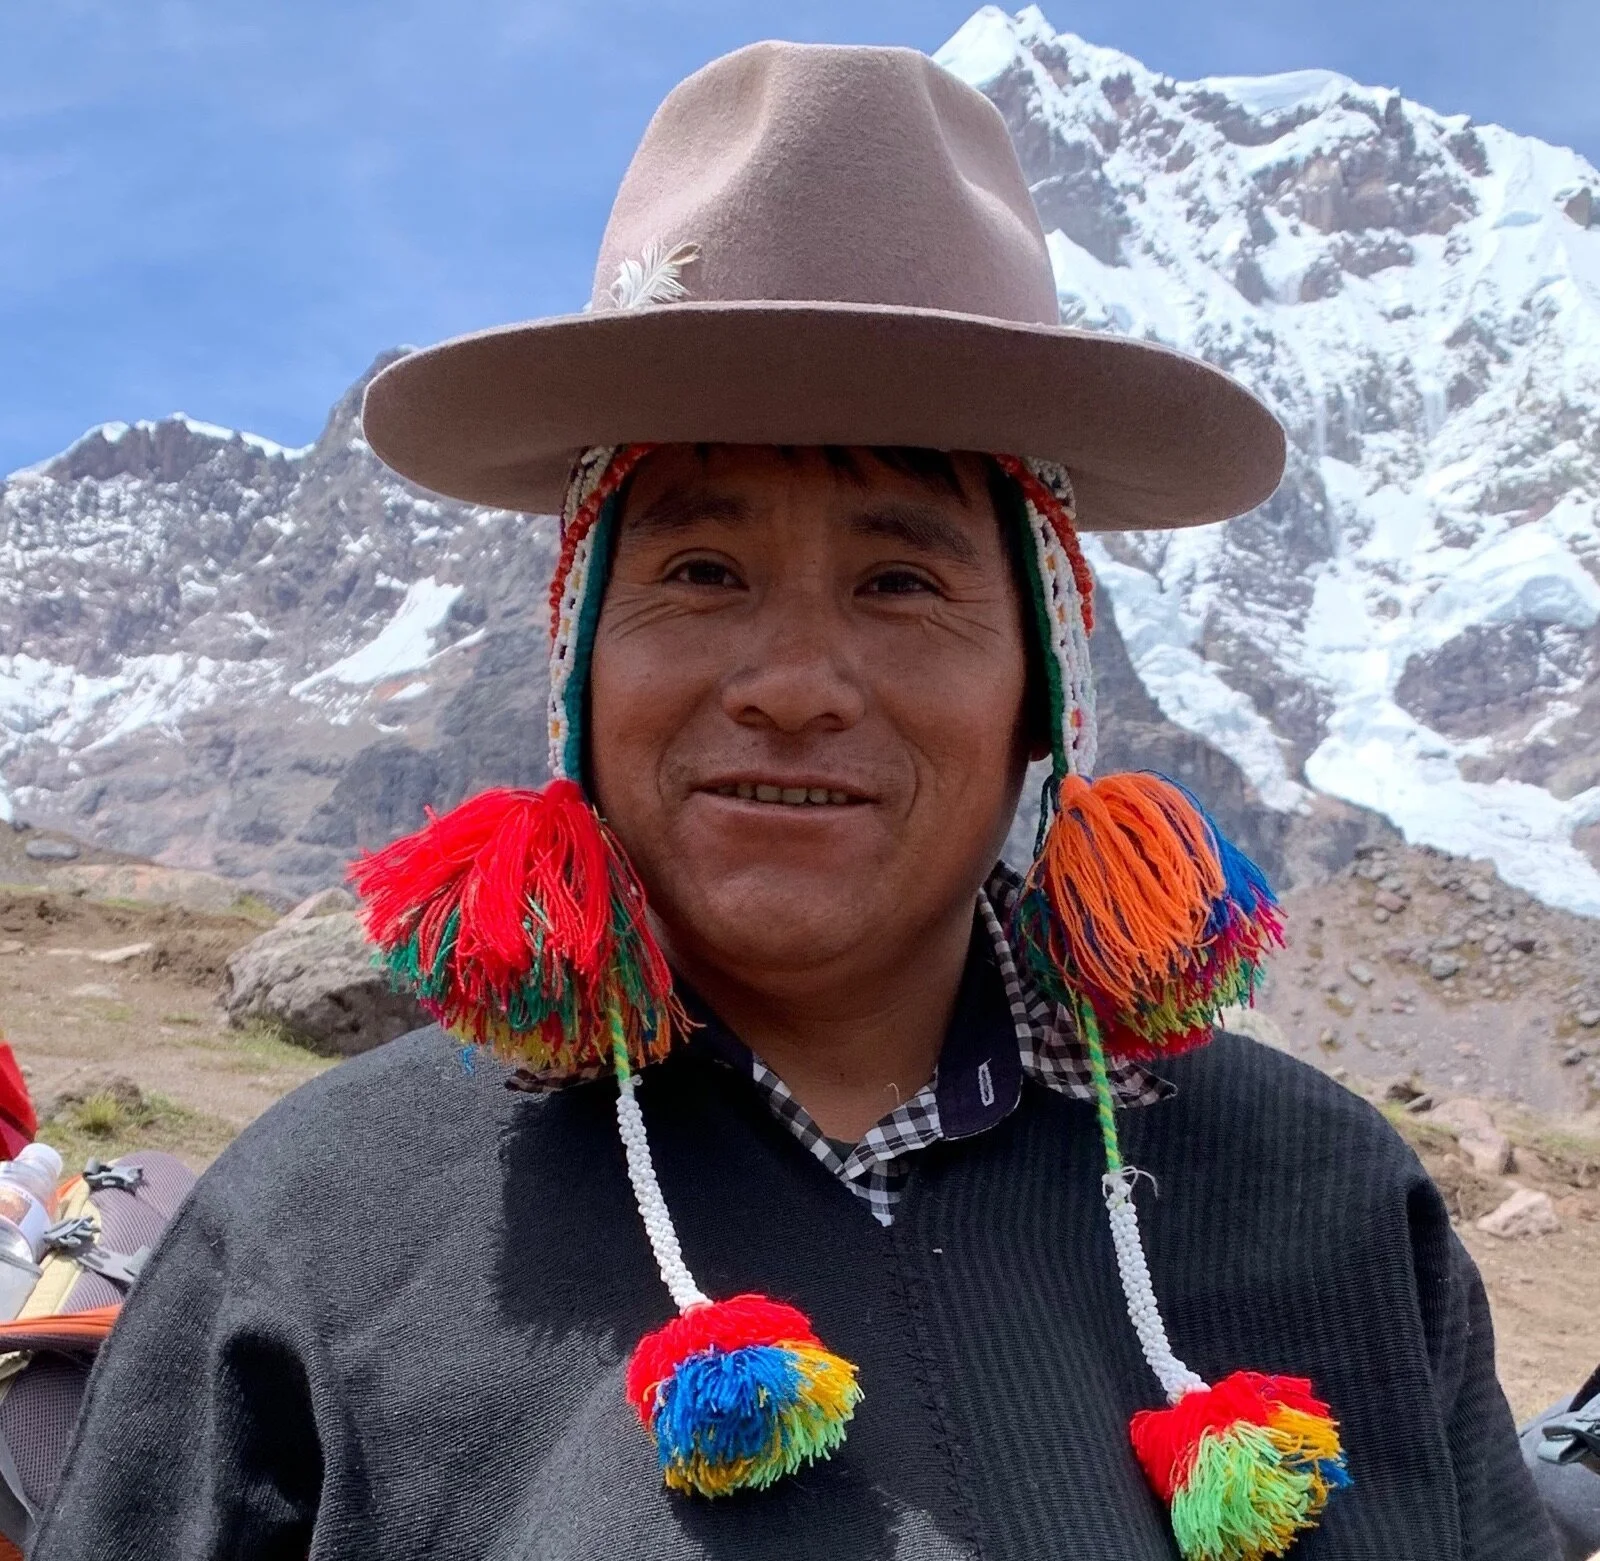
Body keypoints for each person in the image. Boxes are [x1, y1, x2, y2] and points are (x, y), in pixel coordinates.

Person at [37, 39, 1556, 1561]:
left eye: (903, 582)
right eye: (701, 573)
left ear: (1045, 691)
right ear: (576, 665)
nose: (792, 681)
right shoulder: (317, 1231)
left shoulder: (1330, 1204)